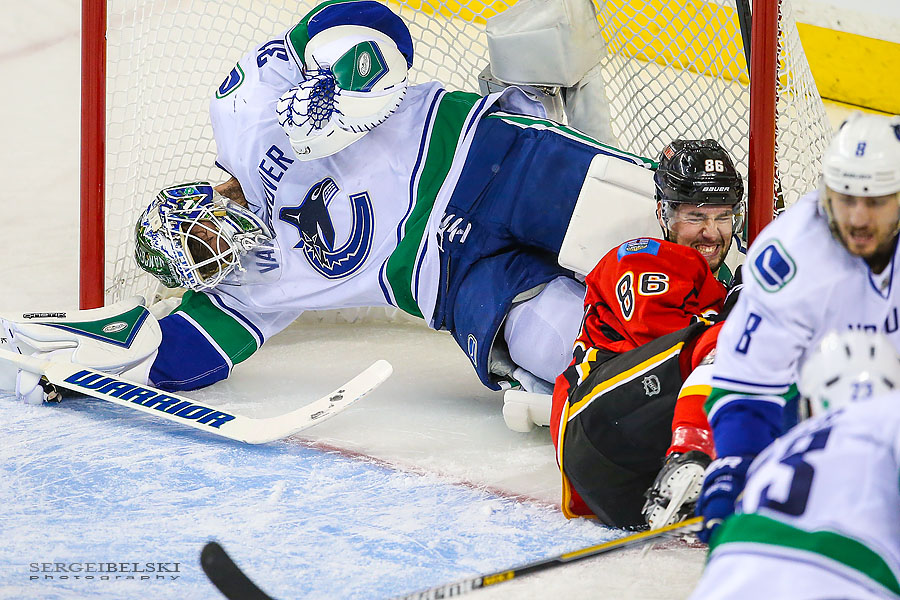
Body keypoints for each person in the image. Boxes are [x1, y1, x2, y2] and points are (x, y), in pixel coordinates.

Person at [0, 0, 662, 404]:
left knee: (652, 223)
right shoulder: (248, 291)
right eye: (204, 266)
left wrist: (338, 92)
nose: (220, 255)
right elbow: (182, 358)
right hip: (454, 284)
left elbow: (367, 26)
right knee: (579, 353)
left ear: (201, 199)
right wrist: (87, 373)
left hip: (480, 156)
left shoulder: (243, 110)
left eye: (204, 237)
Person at [695, 111, 900, 543]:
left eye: (876, 201)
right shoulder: (792, 256)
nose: (859, 219)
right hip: (815, 404)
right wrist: (737, 464)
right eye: (846, 198)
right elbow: (748, 386)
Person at [550, 138, 746, 529]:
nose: (712, 232)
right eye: (696, 216)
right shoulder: (644, 257)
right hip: (595, 428)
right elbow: (659, 338)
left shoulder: (714, 289)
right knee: (738, 337)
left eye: (723, 217)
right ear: (664, 213)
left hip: (635, 477)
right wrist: (742, 308)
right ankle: (690, 454)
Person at [689, 330, 900, 599]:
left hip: (729, 575)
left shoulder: (780, 449)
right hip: (844, 579)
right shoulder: (891, 418)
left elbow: (721, 530)